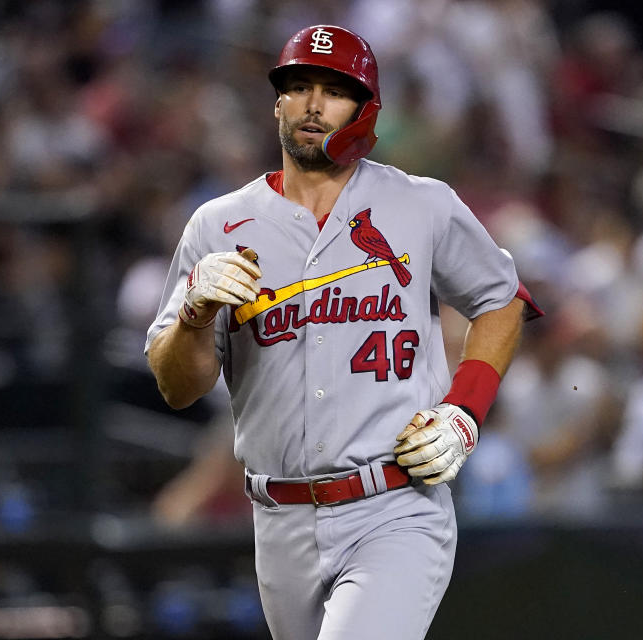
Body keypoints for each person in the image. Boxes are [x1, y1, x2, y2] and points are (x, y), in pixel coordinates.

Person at [145, 25, 540, 640]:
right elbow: (179, 387)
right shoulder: (217, 225)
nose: (312, 104)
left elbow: (502, 299)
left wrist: (464, 412)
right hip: (279, 519)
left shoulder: (421, 204)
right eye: (298, 86)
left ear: (365, 108)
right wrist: (194, 317)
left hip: (394, 505)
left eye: (334, 90)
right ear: (277, 102)